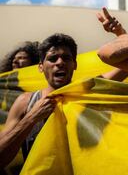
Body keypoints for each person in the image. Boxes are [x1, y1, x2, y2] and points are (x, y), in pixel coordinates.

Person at [0, 34, 77, 168]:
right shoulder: (25, 102)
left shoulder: (87, 92)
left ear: (75, 64)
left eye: (66, 58)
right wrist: (31, 117)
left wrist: (120, 33)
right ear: (40, 67)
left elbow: (123, 68)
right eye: (53, 58)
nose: (60, 62)